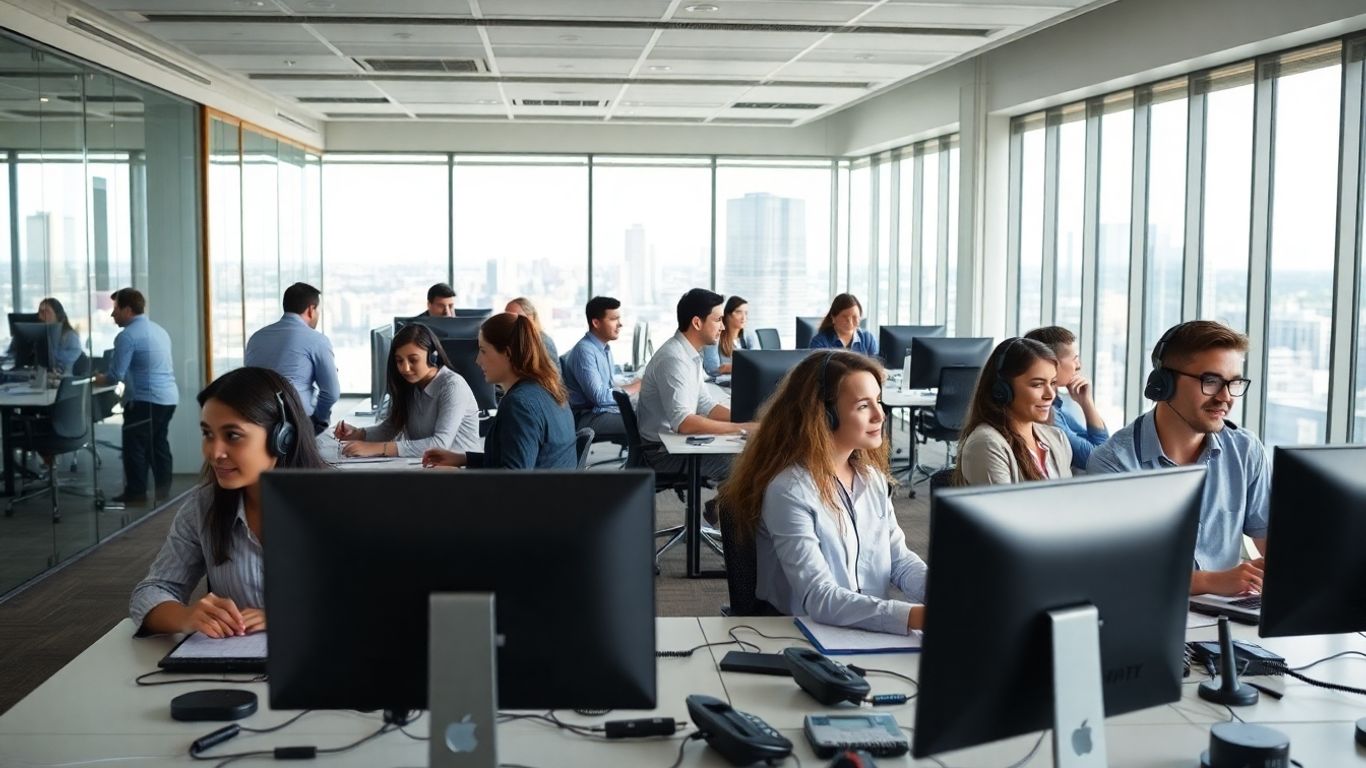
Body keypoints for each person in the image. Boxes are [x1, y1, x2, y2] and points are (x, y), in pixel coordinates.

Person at [718, 351, 926, 633]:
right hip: (803, 635)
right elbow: (820, 597)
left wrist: (942, 594)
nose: (881, 414)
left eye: (878, 401)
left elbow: (899, 561)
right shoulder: (790, 490)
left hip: (867, 630)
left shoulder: (871, 480)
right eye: (864, 406)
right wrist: (916, 616)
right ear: (825, 415)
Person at [128, 367, 327, 637]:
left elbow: (379, 598)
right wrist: (186, 616)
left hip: (321, 662)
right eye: (208, 434)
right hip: (233, 671)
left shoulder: (334, 505)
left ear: (282, 438)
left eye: (232, 435)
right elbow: (150, 591)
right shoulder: (203, 506)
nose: (214, 452)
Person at [1087, 320, 1268, 597]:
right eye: (1211, 381)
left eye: (1234, 383)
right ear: (1163, 383)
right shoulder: (1115, 463)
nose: (1225, 397)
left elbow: (1269, 540)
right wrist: (1210, 582)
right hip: (1147, 612)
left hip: (1229, 616)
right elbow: (1117, 572)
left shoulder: (1245, 450)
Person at [420, 312, 576, 470]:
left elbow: (511, 481)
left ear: (508, 353)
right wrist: (464, 459)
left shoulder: (519, 405)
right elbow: (514, 459)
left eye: (483, 351)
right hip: (554, 491)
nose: (477, 360)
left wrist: (459, 476)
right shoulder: (547, 389)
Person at [636, 288, 757, 485]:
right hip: (663, 453)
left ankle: (720, 508)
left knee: (751, 455)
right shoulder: (674, 358)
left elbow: (705, 405)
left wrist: (749, 418)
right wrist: (742, 428)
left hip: (674, 443)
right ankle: (723, 510)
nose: (723, 327)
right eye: (718, 320)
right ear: (697, 323)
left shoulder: (689, 354)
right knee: (751, 464)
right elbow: (684, 423)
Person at [333, 323, 480, 457]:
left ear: (433, 357)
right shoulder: (411, 384)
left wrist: (376, 448)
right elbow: (391, 427)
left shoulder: (452, 386)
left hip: (462, 474)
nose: (405, 368)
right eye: (399, 361)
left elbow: (440, 444)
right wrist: (358, 434)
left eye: (413, 360)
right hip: (427, 468)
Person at [94, 288, 178, 506]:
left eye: (115, 309)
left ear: (128, 310)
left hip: (145, 399)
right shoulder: (158, 330)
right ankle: (163, 492)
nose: (113, 315)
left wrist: (95, 379)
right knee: (158, 444)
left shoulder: (127, 336)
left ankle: (136, 493)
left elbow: (115, 376)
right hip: (168, 397)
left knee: (135, 447)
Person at [953, 337, 1072, 486]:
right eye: (1037, 384)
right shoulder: (986, 444)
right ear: (1002, 390)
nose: (1050, 394)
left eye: (1053, 383)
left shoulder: (1057, 438)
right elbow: (1002, 509)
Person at [243, 282, 340, 435]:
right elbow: (331, 392)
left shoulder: (257, 337)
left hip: (258, 423)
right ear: (311, 309)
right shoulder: (316, 340)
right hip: (296, 425)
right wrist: (316, 421)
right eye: (318, 310)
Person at [1023, 325, 1108, 470]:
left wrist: (1086, 402)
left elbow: (1103, 448)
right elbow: (1099, 460)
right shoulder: (1046, 415)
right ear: (1052, 363)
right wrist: (1087, 404)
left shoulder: (1056, 406)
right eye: (1074, 359)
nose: (1079, 365)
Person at [563, 295, 639, 441]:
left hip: (601, 412)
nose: (620, 324)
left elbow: (608, 386)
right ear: (596, 323)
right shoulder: (584, 351)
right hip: (588, 417)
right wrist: (635, 387)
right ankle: (638, 462)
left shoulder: (604, 349)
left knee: (647, 412)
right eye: (613, 319)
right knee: (647, 422)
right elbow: (600, 397)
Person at [702, 295, 759, 378]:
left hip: (744, 380)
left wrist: (729, 367)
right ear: (728, 315)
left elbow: (758, 364)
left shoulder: (749, 336)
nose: (744, 317)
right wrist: (743, 367)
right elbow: (712, 370)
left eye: (746, 313)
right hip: (720, 384)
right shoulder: (715, 336)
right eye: (739, 312)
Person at [808, 294, 878, 355]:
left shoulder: (868, 339)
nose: (850, 322)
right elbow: (819, 369)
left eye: (854, 317)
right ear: (833, 318)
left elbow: (876, 367)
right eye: (845, 317)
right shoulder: (820, 342)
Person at [505, 296, 559, 368]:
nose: (511, 322)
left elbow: (554, 377)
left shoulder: (544, 342)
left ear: (531, 317)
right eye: (507, 317)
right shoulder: (510, 340)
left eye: (517, 317)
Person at [37, 297, 85, 375]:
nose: (40, 316)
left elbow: (74, 355)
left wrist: (52, 354)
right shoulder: (39, 334)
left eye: (46, 312)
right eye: (40, 312)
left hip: (63, 377)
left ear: (57, 314)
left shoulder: (69, 335)